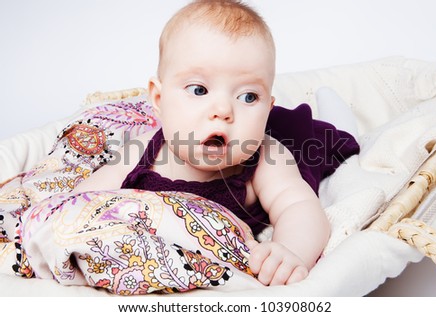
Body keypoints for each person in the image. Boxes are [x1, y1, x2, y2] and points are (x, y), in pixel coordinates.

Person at [73, 0, 359, 286]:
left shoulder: (266, 159)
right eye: (199, 90)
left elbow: (301, 208)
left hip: (300, 148)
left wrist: (290, 250)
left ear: (267, 108)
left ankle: (339, 116)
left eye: (248, 97)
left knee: (327, 144)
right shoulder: (142, 151)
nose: (223, 110)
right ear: (159, 100)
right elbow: (79, 201)